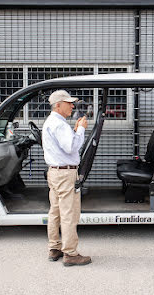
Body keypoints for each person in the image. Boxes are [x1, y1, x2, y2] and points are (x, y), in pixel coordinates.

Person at [42, 90, 91, 266]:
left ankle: (54, 248)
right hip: (65, 173)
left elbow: (64, 144)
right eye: (68, 102)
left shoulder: (52, 122)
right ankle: (70, 253)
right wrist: (82, 130)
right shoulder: (60, 124)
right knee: (69, 213)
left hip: (54, 173)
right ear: (58, 105)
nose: (72, 105)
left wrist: (75, 130)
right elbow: (71, 147)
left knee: (54, 211)